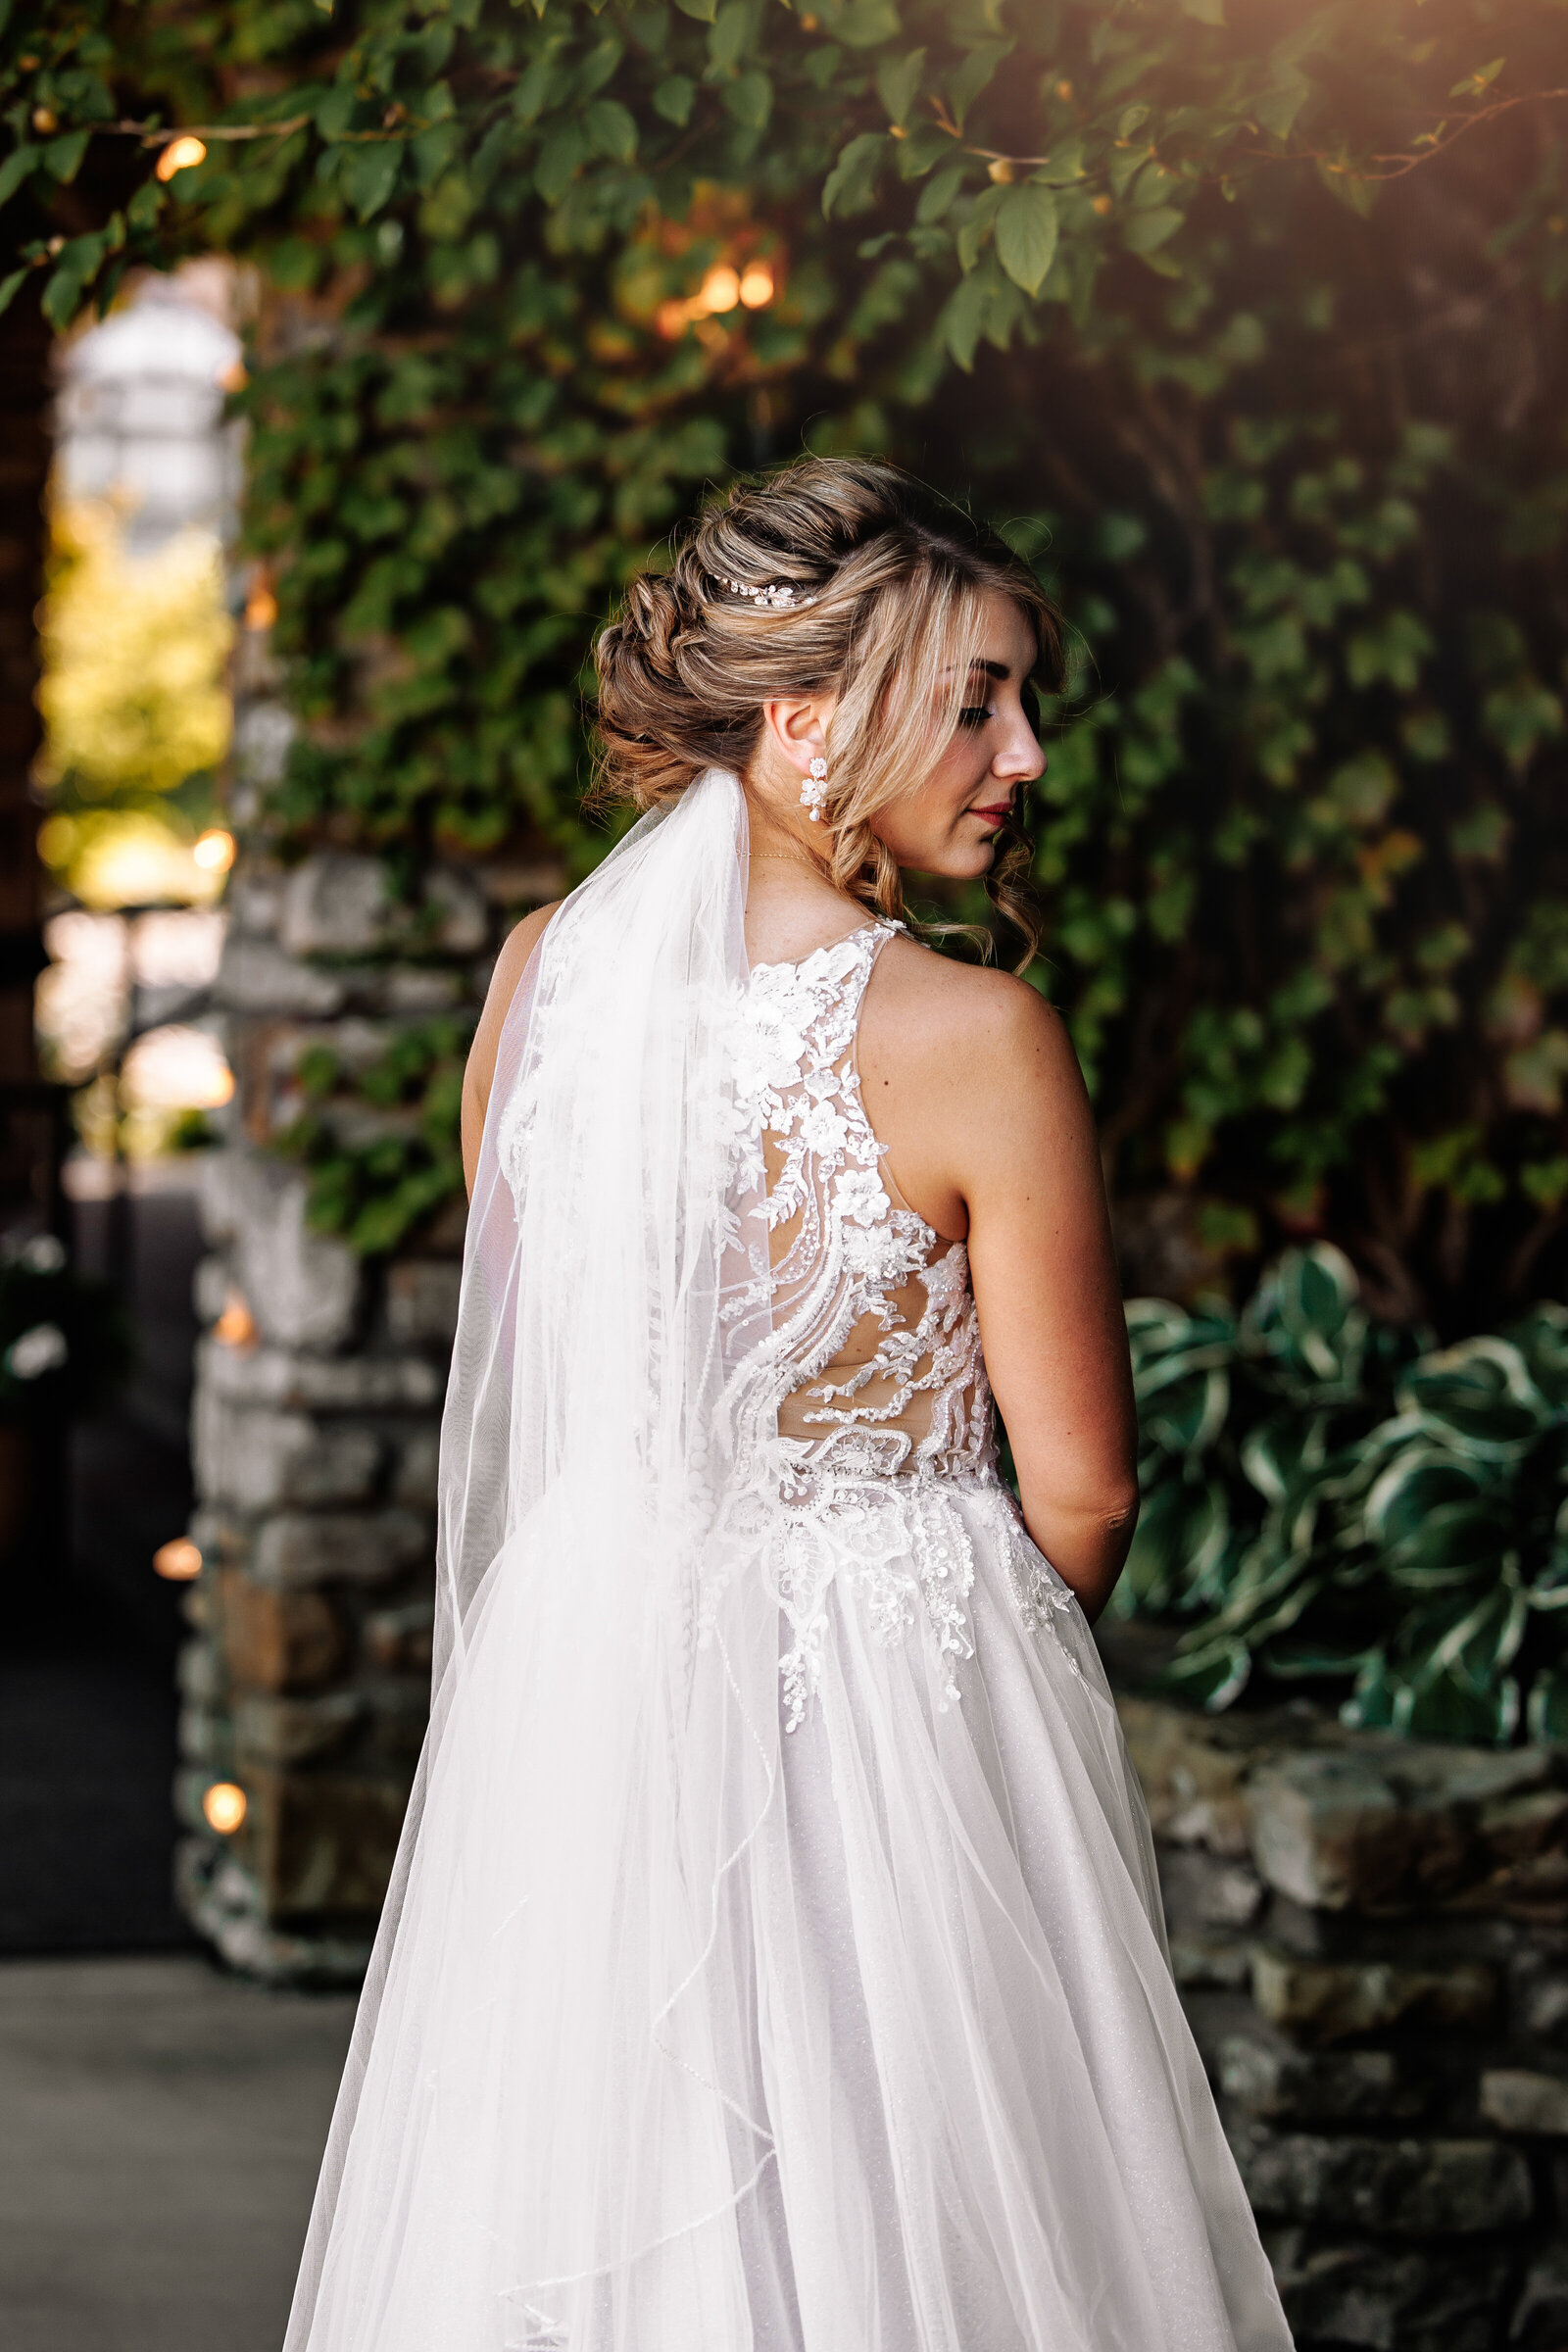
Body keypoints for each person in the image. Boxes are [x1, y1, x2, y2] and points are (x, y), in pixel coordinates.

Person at [283, 457, 1293, 2352]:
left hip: (585, 1716)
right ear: (806, 715)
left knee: (605, 2194)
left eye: (1023, 699)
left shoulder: (538, 987)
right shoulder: (977, 1035)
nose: (1027, 754)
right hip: (897, 1703)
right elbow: (1083, 1489)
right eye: (977, 696)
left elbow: (545, 1361)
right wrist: (950, 1690)